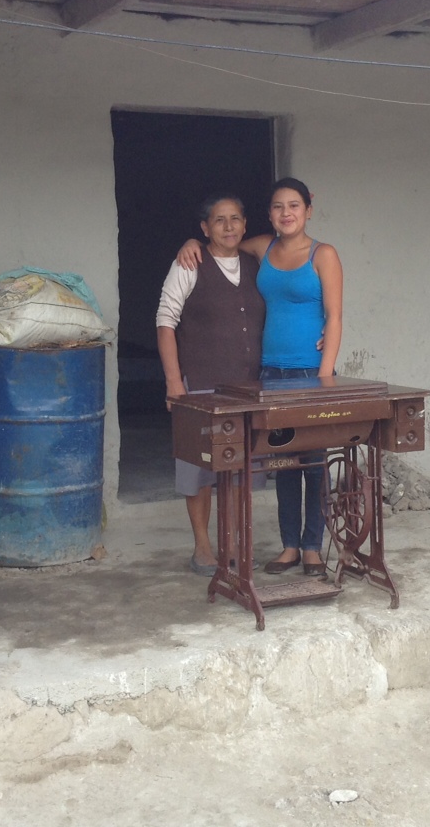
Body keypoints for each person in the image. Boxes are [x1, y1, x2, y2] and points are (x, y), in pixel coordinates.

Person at [178, 178, 343, 579]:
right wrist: (192, 243)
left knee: (315, 462)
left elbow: (335, 317)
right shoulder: (263, 247)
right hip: (271, 372)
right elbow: (223, 243)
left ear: (308, 208)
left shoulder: (324, 254)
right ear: (269, 214)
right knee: (283, 463)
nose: (286, 213)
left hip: (310, 371)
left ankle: (312, 547)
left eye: (294, 206)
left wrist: (324, 376)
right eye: (278, 207)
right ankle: (289, 546)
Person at [157, 195, 266, 575]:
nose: (229, 226)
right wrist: (174, 381)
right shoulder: (190, 263)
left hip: (247, 387)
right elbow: (166, 321)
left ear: (245, 225)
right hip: (200, 384)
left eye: (236, 218)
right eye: (219, 220)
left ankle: (233, 541)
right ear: (204, 229)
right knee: (198, 468)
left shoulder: (255, 265)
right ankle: (203, 546)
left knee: (239, 468)